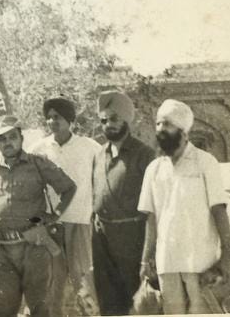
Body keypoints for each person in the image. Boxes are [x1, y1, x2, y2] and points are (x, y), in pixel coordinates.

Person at [0, 114, 77, 317]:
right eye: (2, 139)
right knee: (3, 308)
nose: (7, 142)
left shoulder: (38, 164)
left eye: (12, 137)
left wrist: (54, 216)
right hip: (3, 251)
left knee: (39, 307)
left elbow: (68, 188)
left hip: (33, 247)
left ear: (21, 138)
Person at [138, 99, 230, 314]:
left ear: (183, 131)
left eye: (167, 124)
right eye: (158, 124)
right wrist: (146, 260)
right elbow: (151, 218)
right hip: (167, 263)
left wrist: (227, 256)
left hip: (200, 262)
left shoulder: (205, 162)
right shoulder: (154, 169)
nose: (161, 130)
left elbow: (219, 210)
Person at [29, 97, 101, 315]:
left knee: (84, 279)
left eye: (57, 117)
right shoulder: (38, 149)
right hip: (52, 226)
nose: (52, 122)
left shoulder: (90, 147)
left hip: (81, 221)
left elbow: (100, 183)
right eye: (49, 118)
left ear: (70, 120)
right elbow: (32, 188)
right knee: (54, 282)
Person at [91, 90, 156, 315]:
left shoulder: (144, 155)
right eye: (103, 120)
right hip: (102, 242)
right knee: (108, 303)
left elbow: (154, 209)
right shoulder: (99, 155)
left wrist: (150, 254)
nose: (108, 124)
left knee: (138, 303)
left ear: (126, 119)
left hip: (133, 241)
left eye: (114, 119)